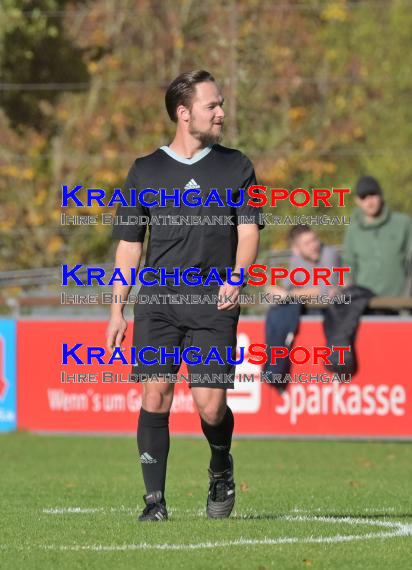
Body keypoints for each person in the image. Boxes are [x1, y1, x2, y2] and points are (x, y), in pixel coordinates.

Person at [106, 70, 263, 522]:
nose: (221, 112)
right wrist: (117, 309)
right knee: (154, 396)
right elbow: (130, 243)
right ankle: (154, 503)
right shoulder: (146, 170)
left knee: (210, 405)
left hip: (214, 300)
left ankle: (220, 467)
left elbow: (248, 231)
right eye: (212, 105)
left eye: (220, 104)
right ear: (183, 112)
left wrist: (237, 277)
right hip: (156, 301)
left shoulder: (237, 165)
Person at [263, 225, 341, 388]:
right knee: (276, 312)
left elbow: (326, 291)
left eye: (314, 239)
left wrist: (290, 294)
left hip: (330, 311)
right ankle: (274, 370)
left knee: (289, 306)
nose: (314, 245)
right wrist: (273, 290)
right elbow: (288, 288)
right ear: (296, 249)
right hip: (307, 309)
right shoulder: (296, 259)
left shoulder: (329, 254)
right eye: (307, 243)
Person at [343, 176, 412, 301]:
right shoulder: (353, 231)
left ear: (381, 195)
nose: (370, 202)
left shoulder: (403, 224)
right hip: (365, 304)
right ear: (357, 201)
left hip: (400, 302)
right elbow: (349, 266)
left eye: (373, 195)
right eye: (364, 197)